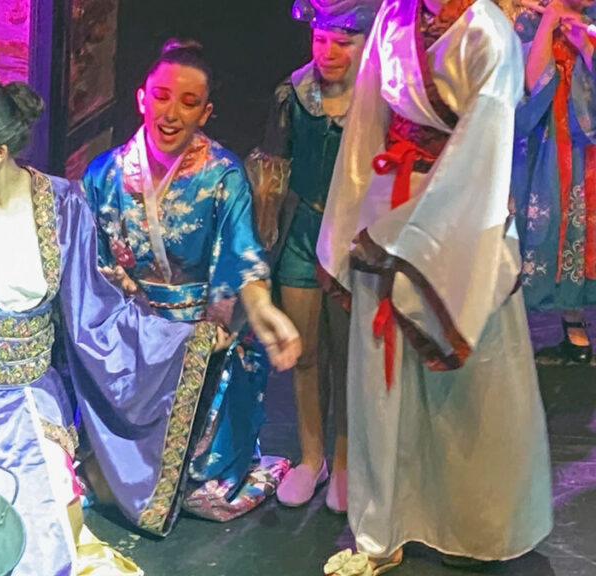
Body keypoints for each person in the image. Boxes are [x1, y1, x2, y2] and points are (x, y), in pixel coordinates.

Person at [0, 79, 298, 576]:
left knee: (42, 530)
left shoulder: (63, 203)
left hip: (30, 395)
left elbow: (95, 313)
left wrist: (185, 340)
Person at [317, 0, 552, 573]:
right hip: (385, 208)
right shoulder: (394, 17)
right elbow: (365, 125)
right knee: (381, 381)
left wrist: (413, 240)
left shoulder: (488, 33)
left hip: (462, 220)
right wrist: (345, 224)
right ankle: (383, 528)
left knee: (464, 387)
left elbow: (484, 153)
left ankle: (472, 527)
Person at [82, 39, 301, 522]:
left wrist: (261, 307)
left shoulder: (222, 175)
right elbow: (89, 263)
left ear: (206, 112)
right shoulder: (104, 174)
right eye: (161, 97)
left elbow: (242, 254)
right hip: (131, 331)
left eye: (188, 102)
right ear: (142, 98)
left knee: (203, 486)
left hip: (199, 331)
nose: (171, 114)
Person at [245, 0, 379, 513]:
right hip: (305, 231)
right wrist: (265, 228)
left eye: (342, 42)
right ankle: (311, 457)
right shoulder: (294, 93)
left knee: (347, 355)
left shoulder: (379, 95)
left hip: (354, 238)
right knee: (303, 351)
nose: (329, 53)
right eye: (321, 40)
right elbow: (273, 166)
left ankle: (344, 460)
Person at [512, 0, 596, 365]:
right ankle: (525, 334)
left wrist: (586, 44)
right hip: (549, 142)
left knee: (584, 232)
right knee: (550, 226)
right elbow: (531, 84)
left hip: (589, 146)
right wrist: (549, 19)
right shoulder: (530, 20)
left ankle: (577, 329)